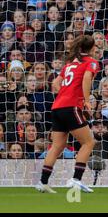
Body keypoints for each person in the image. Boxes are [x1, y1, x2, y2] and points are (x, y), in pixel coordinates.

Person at [35, 35, 99, 193]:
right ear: (91, 48)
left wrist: (64, 93)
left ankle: (43, 182)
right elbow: (86, 80)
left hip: (57, 107)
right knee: (89, 142)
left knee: (57, 146)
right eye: (95, 47)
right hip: (71, 106)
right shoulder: (91, 62)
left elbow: (55, 83)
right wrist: (86, 101)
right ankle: (76, 179)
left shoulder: (70, 64)